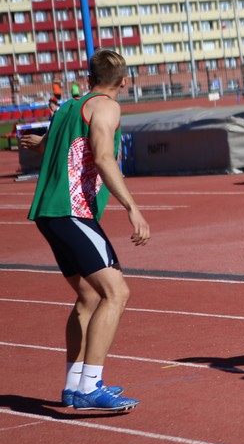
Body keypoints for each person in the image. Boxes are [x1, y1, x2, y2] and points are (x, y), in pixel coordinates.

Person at [22, 49, 150, 412]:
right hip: (73, 213)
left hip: (49, 213)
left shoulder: (67, 107)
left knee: (89, 297)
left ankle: (74, 384)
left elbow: (56, 143)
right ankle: (91, 385)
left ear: (88, 78)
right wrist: (133, 208)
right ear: (124, 81)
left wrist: (40, 143)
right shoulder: (107, 107)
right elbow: (104, 157)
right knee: (117, 292)